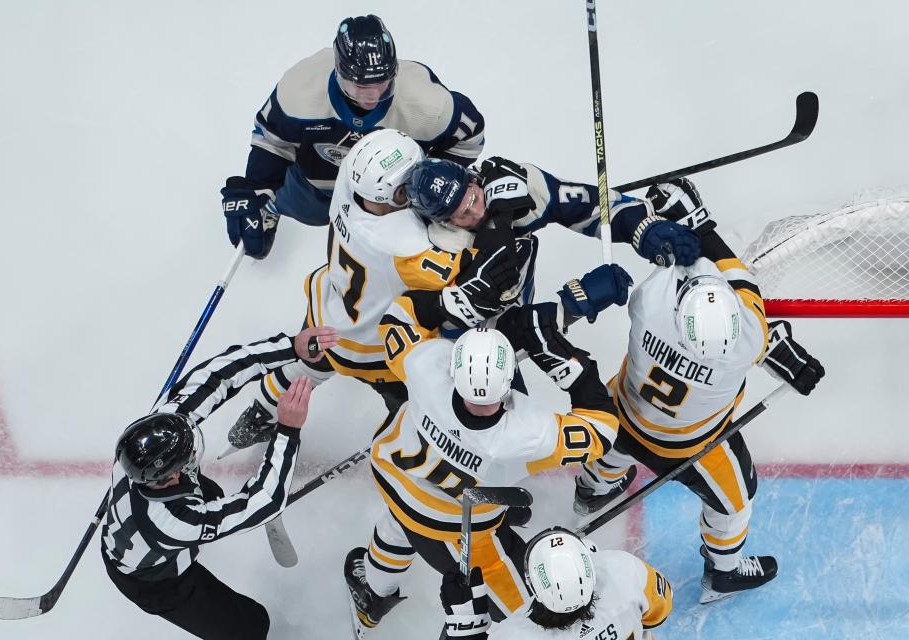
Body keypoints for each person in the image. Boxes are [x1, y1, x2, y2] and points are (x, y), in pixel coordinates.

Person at [572, 179, 825, 603]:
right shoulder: (746, 339)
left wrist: (690, 227)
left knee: (612, 441)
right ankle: (723, 574)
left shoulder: (650, 303)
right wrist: (701, 226)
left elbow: (686, 259)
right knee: (736, 502)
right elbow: (740, 279)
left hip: (624, 411)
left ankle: (590, 492)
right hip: (688, 447)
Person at [343, 296, 628, 638]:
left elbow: (398, 318)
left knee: (398, 524)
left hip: (394, 477)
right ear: (509, 379)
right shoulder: (526, 431)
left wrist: (463, 295)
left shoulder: (427, 366)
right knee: (534, 619)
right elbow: (601, 431)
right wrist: (553, 351)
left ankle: (372, 596)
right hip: (454, 526)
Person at [221, 128, 517, 457]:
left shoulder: (351, 176)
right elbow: (485, 268)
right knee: (424, 409)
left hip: (329, 307)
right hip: (374, 347)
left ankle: (259, 414)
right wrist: (499, 212)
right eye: (407, 190)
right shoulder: (408, 245)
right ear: (394, 195)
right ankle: (419, 451)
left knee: (310, 364)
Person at [100, 325, 337, 639]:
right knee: (250, 627)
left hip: (144, 535)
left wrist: (289, 347)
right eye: (185, 461)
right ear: (169, 477)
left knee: (212, 493)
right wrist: (288, 430)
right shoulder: (179, 522)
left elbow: (217, 376)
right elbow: (264, 501)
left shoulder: (151, 437)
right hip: (157, 580)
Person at [220, 14, 486, 260]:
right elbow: (271, 141)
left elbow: (469, 137)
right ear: (338, 69)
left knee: (395, 256)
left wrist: (426, 182)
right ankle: (274, 209)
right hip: (317, 186)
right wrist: (259, 188)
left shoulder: (426, 102)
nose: (371, 96)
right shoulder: (300, 88)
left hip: (393, 198)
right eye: (360, 85)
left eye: (381, 82)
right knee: (305, 208)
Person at [403, 156, 702, 319]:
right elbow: (498, 338)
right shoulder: (443, 255)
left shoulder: (517, 184)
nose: (475, 212)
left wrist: (644, 228)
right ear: (443, 222)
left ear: (473, 177)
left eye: (472, 196)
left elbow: (587, 207)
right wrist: (570, 307)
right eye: (460, 214)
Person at [440, 528, 673, 640]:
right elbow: (658, 613)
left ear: (531, 585)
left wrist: (466, 624)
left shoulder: (515, 635)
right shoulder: (623, 570)